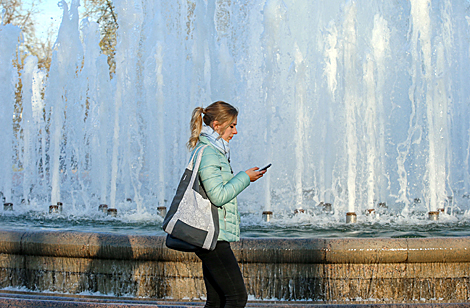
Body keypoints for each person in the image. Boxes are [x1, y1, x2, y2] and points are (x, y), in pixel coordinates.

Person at [187, 101, 265, 308]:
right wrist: (245, 177)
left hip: (212, 234)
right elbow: (219, 196)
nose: (235, 131)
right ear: (216, 124)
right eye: (232, 125)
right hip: (212, 236)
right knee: (237, 298)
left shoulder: (213, 150)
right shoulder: (210, 153)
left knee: (217, 300)